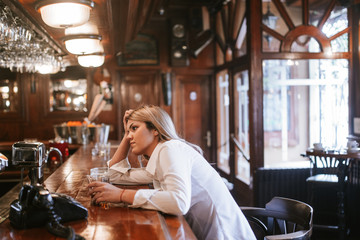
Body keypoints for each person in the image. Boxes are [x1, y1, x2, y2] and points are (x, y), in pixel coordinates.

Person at [88, 105, 256, 240]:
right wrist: (126, 134)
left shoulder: (170, 149)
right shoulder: (160, 156)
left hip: (227, 235)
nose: (129, 136)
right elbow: (115, 175)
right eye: (128, 131)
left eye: (134, 128)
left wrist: (121, 195)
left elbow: (179, 202)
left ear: (155, 129)